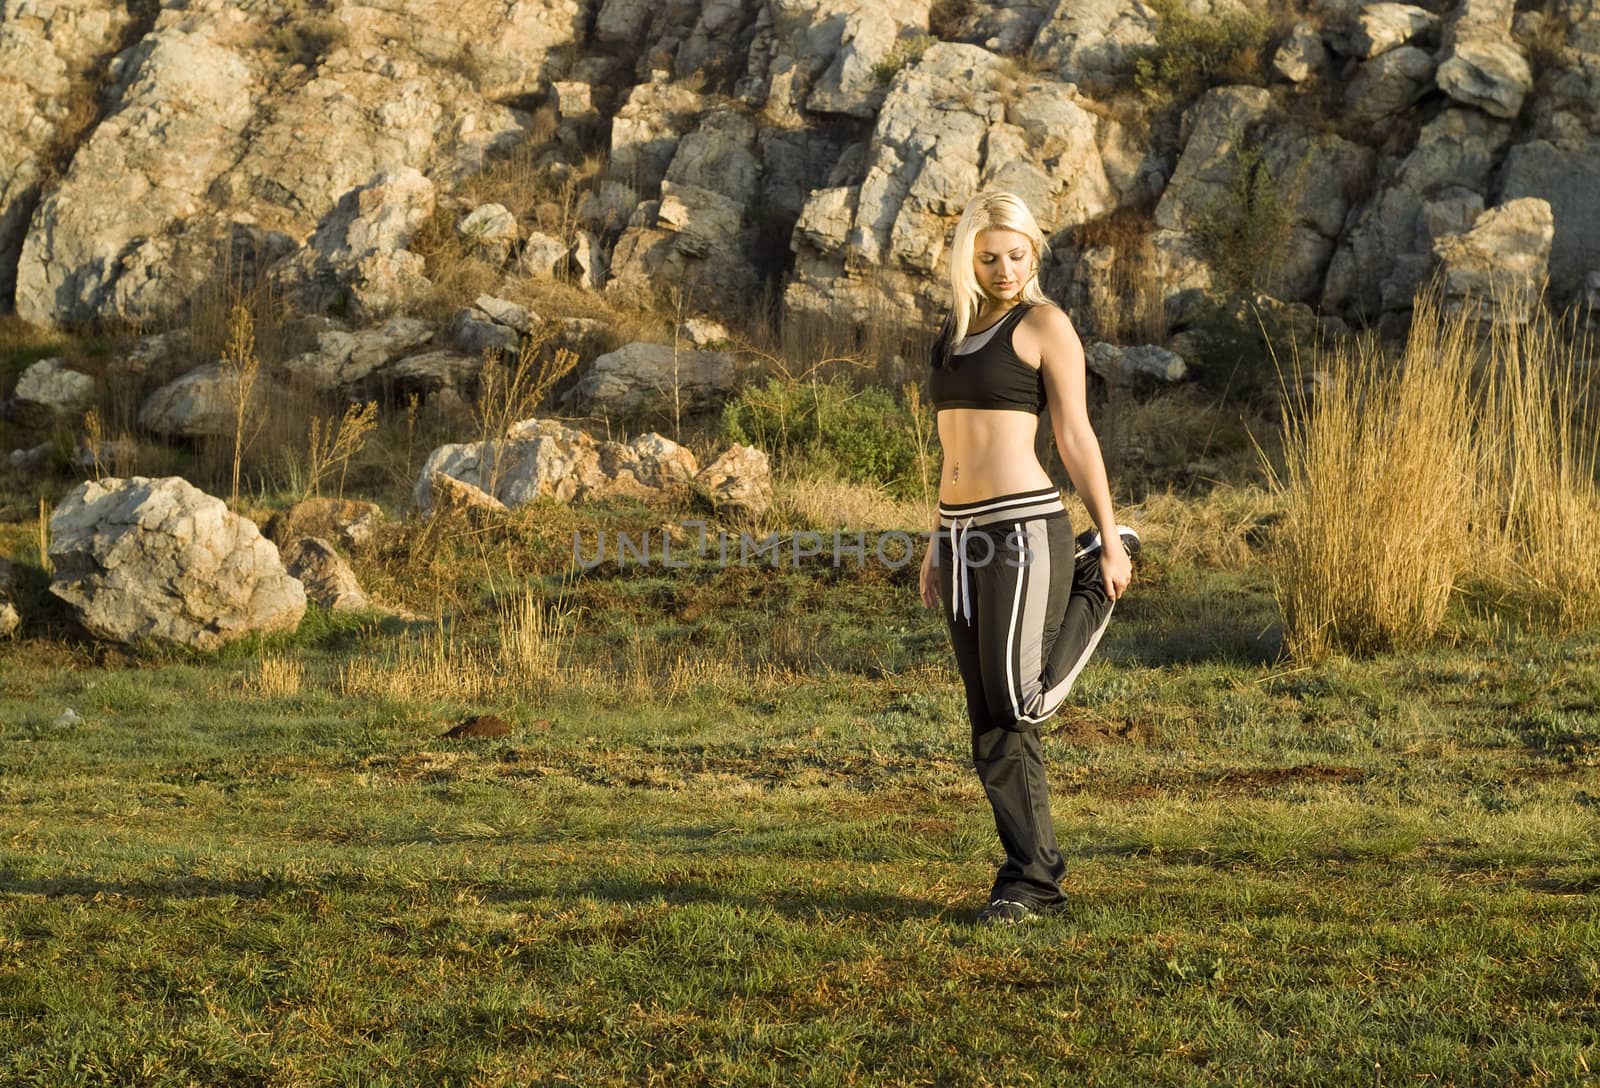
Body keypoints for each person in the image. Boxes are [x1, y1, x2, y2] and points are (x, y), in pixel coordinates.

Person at [917, 190, 1137, 926]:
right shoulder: (953, 331)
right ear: (967, 259)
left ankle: (1090, 588)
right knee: (992, 724)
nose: (1004, 268)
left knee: (1021, 699)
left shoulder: (1044, 324)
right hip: (961, 536)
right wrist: (933, 541)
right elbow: (951, 444)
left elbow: (1074, 436)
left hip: (1021, 528)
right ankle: (1029, 880)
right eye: (989, 257)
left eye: (1016, 255)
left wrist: (1108, 537)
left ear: (1034, 255)